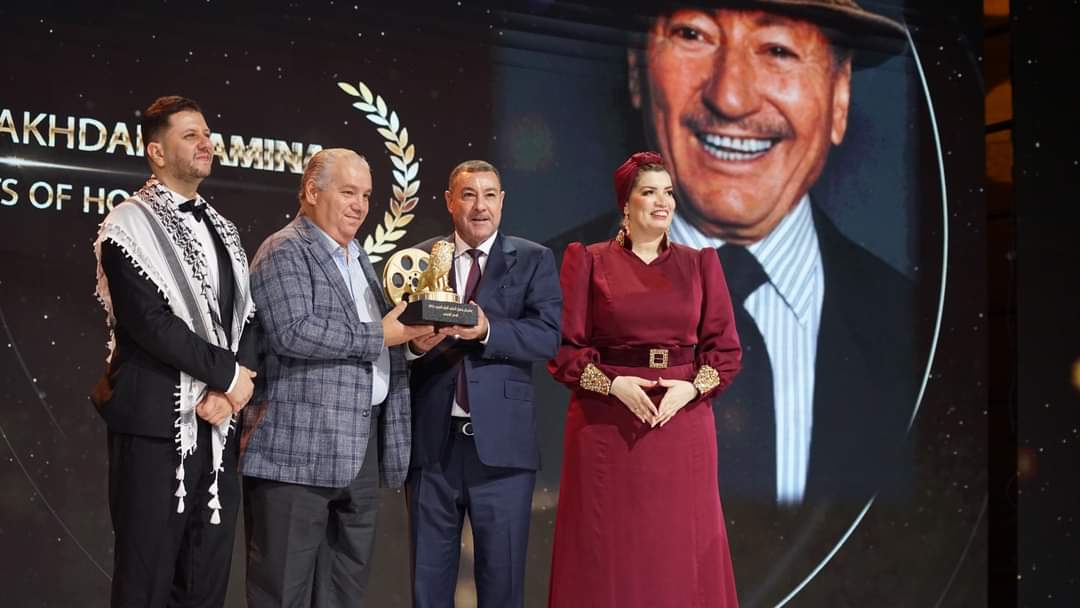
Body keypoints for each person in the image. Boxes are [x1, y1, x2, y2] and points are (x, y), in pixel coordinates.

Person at [625, 2, 920, 602]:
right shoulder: (540, 304)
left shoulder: (923, 338)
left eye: (779, 49)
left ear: (840, 96)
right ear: (637, 71)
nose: (730, 97)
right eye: (693, 35)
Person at [547, 151, 742, 607]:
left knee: (680, 548)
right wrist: (613, 385)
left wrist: (691, 388)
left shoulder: (701, 264)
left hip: (681, 424)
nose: (662, 202)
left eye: (668, 193)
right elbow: (564, 349)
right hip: (607, 426)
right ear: (626, 203)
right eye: (649, 192)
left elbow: (725, 351)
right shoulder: (588, 260)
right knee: (607, 549)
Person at [239, 148, 431, 607]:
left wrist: (414, 342)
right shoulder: (284, 249)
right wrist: (381, 335)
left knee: (343, 592)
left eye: (365, 195)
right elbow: (294, 331)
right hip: (297, 452)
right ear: (311, 191)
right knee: (282, 591)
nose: (360, 205)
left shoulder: (357, 256)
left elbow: (376, 339)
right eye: (348, 192)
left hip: (359, 447)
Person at [91, 95, 258, 607]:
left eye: (206, 133)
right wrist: (229, 377)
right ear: (157, 152)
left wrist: (230, 393)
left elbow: (247, 319)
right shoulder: (127, 225)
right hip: (154, 426)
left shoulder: (224, 228)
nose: (205, 143)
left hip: (217, 427)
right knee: (146, 582)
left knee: (204, 585)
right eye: (190, 135)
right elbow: (151, 325)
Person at [405, 160, 562, 607]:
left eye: (490, 195)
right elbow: (398, 341)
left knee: (502, 586)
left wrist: (488, 329)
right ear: (449, 201)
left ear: (502, 201)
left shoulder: (532, 259)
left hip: (503, 454)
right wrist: (414, 346)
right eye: (469, 195)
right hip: (433, 449)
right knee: (428, 586)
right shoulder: (419, 260)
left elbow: (548, 336)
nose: (480, 206)